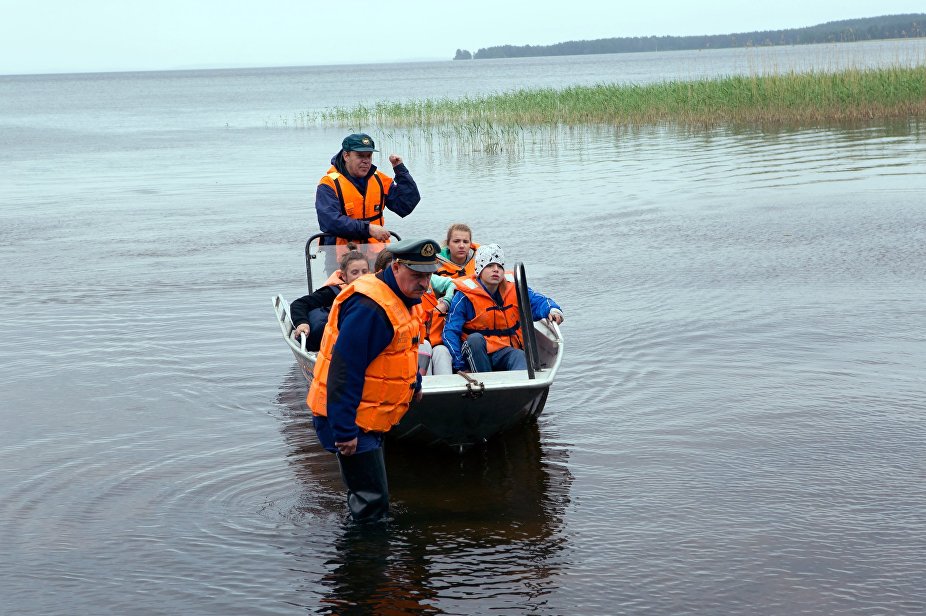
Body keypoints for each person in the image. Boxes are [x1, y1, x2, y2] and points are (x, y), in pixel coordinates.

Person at [306, 238, 440, 523]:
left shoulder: (403, 297)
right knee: (372, 505)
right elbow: (345, 370)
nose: (424, 283)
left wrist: (414, 382)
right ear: (396, 267)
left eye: (429, 275)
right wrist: (344, 431)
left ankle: (369, 553)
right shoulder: (369, 308)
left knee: (370, 495)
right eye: (417, 275)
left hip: (371, 412)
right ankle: (364, 561)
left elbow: (402, 348)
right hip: (351, 418)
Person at [443, 244, 564, 374]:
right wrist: (460, 366)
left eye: (499, 266)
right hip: (476, 352)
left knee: (519, 356)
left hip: (505, 350)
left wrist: (552, 310)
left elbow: (537, 301)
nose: (496, 270)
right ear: (479, 270)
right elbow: (450, 332)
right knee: (475, 340)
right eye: (489, 266)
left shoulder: (514, 288)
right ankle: (486, 384)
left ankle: (520, 388)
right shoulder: (464, 296)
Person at [315, 133, 420, 246]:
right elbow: (330, 222)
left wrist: (400, 170)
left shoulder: (379, 179)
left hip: (377, 254)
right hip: (342, 257)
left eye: (369, 156)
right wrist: (368, 229)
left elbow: (405, 205)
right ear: (346, 156)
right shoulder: (329, 184)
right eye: (360, 156)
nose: (366, 161)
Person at [290, 244, 369, 352]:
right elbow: (299, 304)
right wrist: (302, 323)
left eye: (364, 272)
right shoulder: (333, 292)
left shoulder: (377, 293)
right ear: (344, 276)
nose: (361, 276)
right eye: (355, 272)